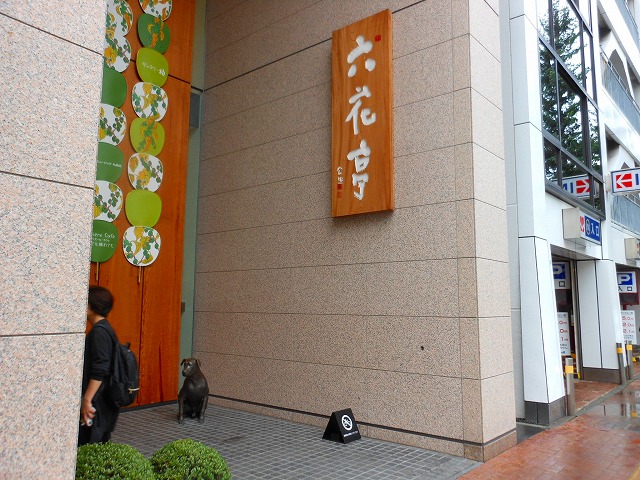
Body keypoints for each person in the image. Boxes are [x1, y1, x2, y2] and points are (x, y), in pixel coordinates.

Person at [78, 286, 120, 445]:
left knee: (91, 443)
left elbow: (100, 370)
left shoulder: (99, 332)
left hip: (97, 402)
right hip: (103, 400)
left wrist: (87, 399)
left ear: (91, 306)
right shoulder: (105, 329)